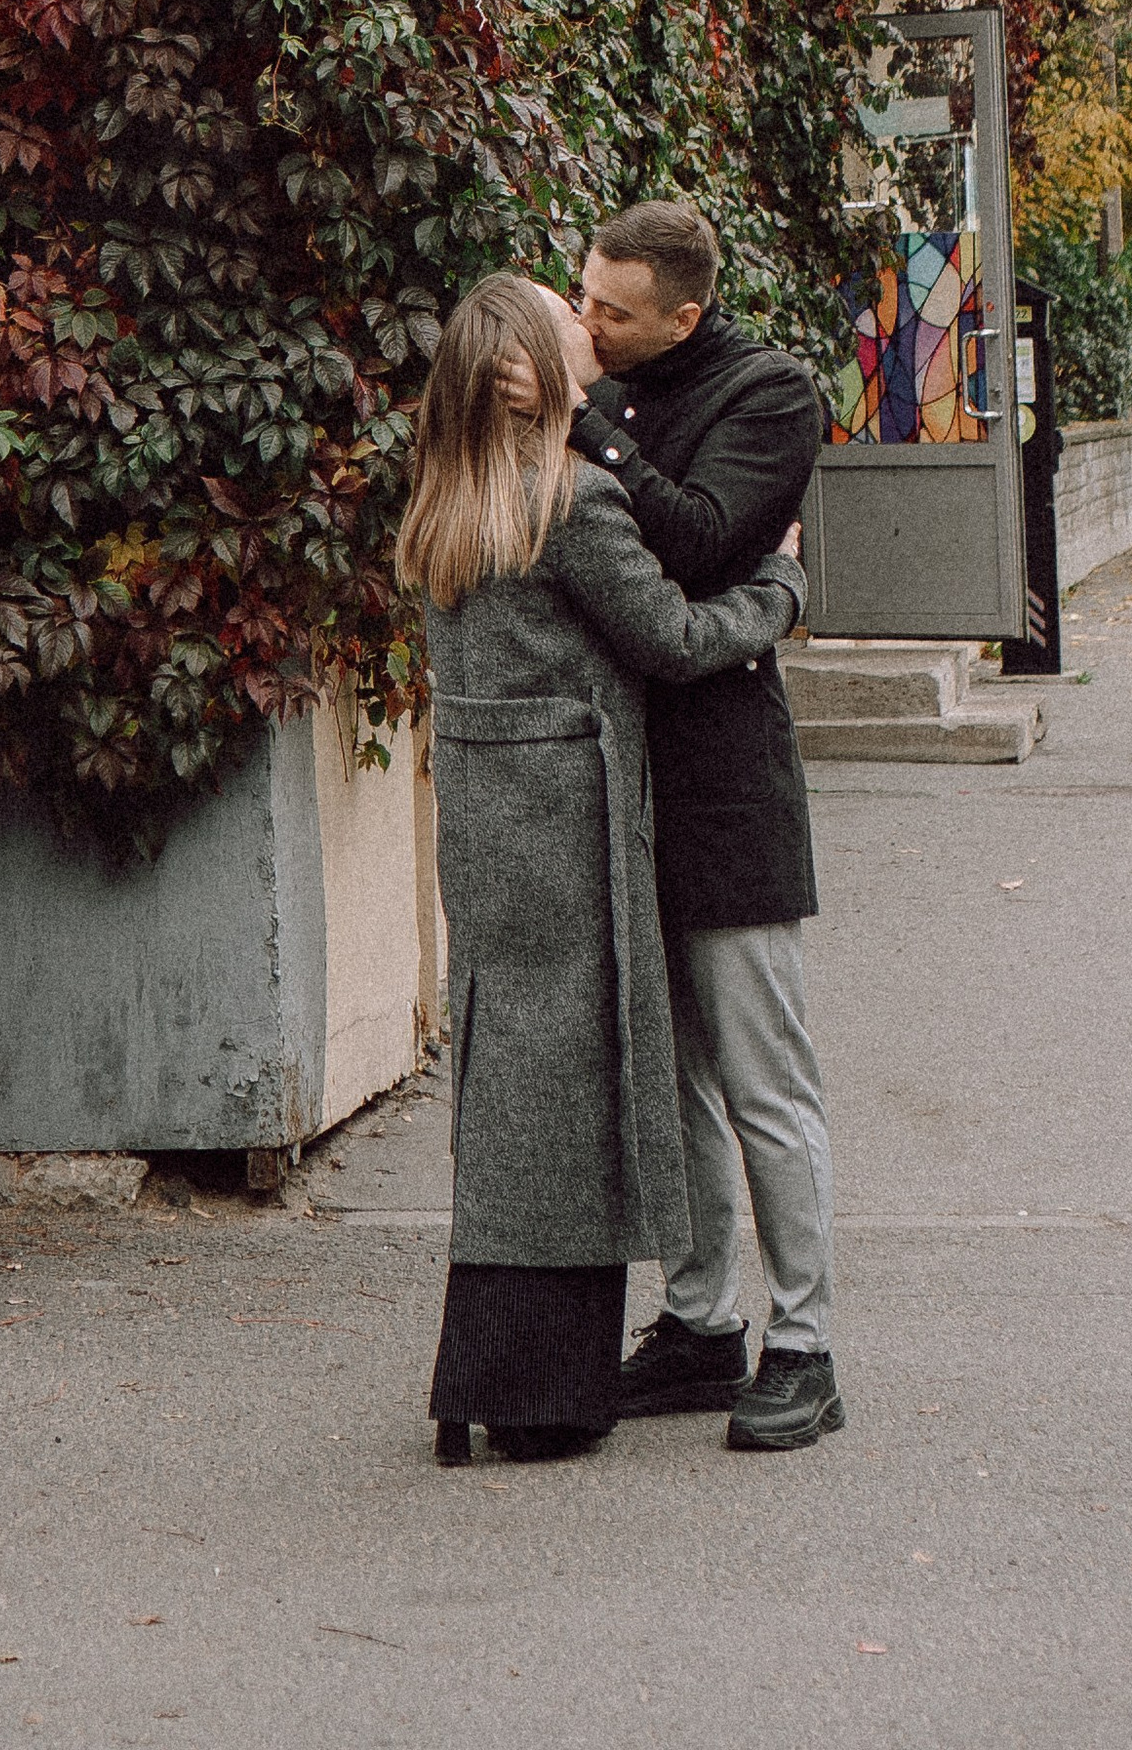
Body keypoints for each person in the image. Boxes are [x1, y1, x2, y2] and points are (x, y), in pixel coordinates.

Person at [399, 271, 807, 1466]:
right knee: (580, 1082)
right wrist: (778, 587)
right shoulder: (570, 500)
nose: (590, 328)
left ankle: (496, 1369)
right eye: (567, 315)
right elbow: (676, 640)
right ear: (531, 365)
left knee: (507, 1070)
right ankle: (540, 1386)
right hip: (574, 823)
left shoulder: (444, 498)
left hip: (486, 824)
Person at [568, 196, 844, 1452]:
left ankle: (805, 1346)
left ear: (682, 314)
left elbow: (697, 545)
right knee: (666, 1081)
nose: (585, 325)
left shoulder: (770, 393)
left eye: (609, 313)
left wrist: (583, 432)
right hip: (620, 783)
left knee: (762, 1083)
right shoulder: (615, 381)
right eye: (582, 298)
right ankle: (696, 1325)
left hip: (727, 784)